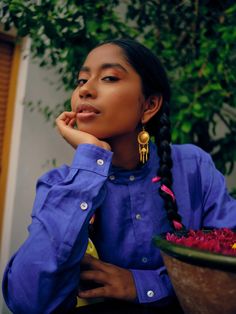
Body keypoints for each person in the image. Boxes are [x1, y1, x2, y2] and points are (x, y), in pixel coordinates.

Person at [2, 38, 236, 314]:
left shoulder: (193, 167)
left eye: (110, 77)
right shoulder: (62, 185)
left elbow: (228, 271)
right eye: (81, 80)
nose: (85, 90)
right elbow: (27, 302)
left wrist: (144, 285)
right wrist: (91, 157)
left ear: (149, 105)